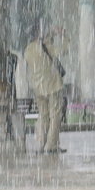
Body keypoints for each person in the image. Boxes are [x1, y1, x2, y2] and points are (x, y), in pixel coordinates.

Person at [24, 23, 66, 154]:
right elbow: (64, 49)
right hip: (52, 85)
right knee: (55, 115)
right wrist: (63, 34)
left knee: (43, 116)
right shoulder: (46, 47)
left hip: (38, 87)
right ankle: (51, 145)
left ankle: (42, 143)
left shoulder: (28, 50)